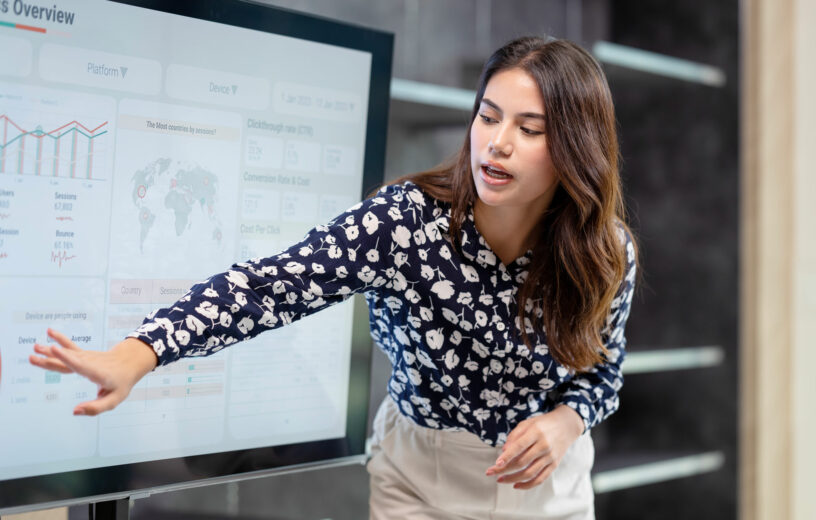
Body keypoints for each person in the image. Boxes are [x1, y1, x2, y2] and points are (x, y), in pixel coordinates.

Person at [31, 36, 637, 519]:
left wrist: (566, 421)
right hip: (420, 483)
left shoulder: (607, 251)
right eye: (488, 116)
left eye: (529, 130)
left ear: (575, 147)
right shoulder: (404, 224)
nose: (497, 144)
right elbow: (269, 286)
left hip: (552, 490)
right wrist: (140, 353)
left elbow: (603, 372)